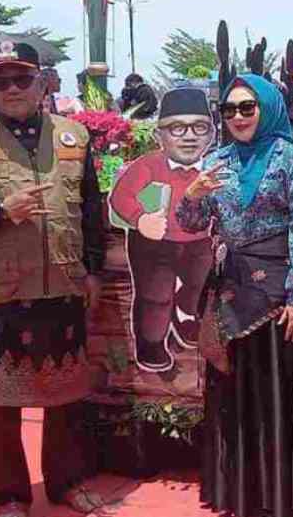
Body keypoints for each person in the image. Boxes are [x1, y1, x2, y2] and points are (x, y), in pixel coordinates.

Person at [0, 40, 107, 517]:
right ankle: (9, 496)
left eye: (22, 78)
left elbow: (92, 210)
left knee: (67, 394)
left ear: (42, 83)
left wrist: (92, 269)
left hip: (61, 282)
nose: (12, 88)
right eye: (0, 80)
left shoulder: (74, 137)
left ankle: (67, 481)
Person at [176, 74, 293, 517]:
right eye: (229, 109)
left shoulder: (291, 161)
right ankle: (240, 492)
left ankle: (280, 495)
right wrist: (192, 195)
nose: (238, 117)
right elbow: (192, 223)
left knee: (276, 393)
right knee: (236, 391)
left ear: (267, 109)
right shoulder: (217, 160)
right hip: (233, 289)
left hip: (281, 293)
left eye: (248, 107)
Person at [108, 88, 215, 371]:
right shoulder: (148, 165)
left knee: (200, 286)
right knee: (156, 296)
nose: (189, 136)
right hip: (154, 243)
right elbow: (120, 197)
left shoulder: (214, 167)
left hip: (200, 241)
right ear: (159, 135)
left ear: (211, 134)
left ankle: (184, 315)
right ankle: (152, 343)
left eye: (199, 127)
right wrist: (140, 219)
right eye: (177, 128)